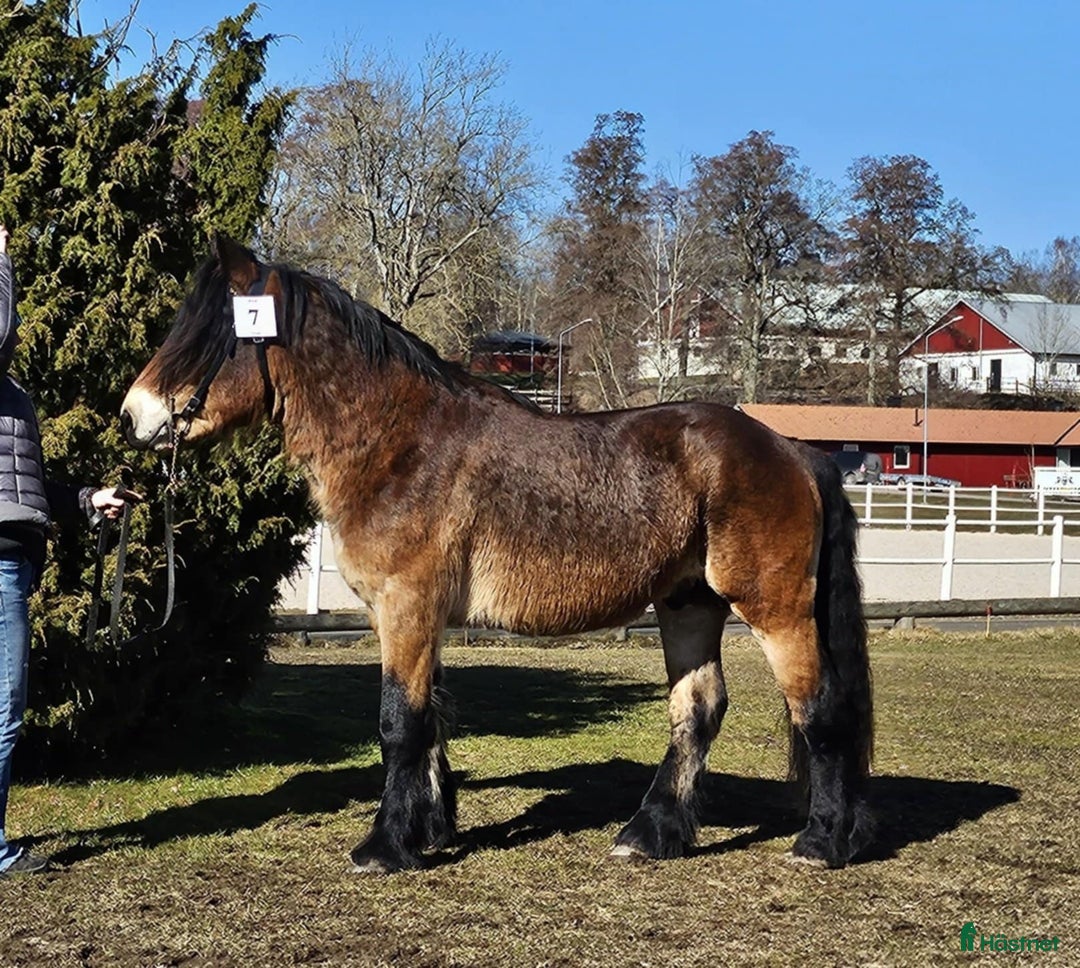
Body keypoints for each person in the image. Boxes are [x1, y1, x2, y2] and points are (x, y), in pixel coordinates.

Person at [0, 223, 137, 876]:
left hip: (15, 561)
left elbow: (26, 489)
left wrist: (88, 499)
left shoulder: (15, 399)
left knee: (4, 712)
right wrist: (1, 260)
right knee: (2, 714)